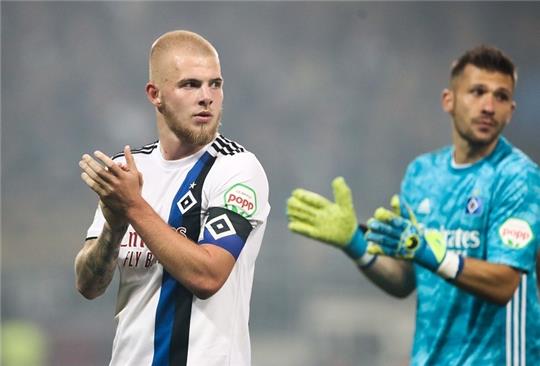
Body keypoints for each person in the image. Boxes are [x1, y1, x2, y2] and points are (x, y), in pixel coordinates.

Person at [287, 45, 539, 365]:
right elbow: (404, 281)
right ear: (449, 100)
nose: (489, 106)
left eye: (501, 97)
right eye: (477, 92)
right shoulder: (422, 173)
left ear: (511, 110)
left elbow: (505, 283)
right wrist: (355, 243)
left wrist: (435, 255)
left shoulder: (518, 176)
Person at [75, 30, 270, 366]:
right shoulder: (128, 171)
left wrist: (133, 206)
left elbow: (208, 276)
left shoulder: (237, 169)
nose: (207, 97)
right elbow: (88, 284)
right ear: (156, 94)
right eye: (190, 85)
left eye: (215, 84)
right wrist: (115, 226)